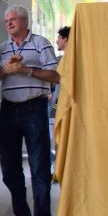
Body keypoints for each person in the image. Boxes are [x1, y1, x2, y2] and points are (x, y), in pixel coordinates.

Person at [0, 4, 59, 216]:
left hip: (34, 108)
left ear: (25, 21)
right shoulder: (3, 48)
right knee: (9, 169)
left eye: (13, 20)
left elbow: (55, 75)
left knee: (38, 168)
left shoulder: (41, 43)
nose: (9, 24)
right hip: (9, 110)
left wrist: (26, 69)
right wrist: (5, 70)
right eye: (7, 21)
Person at [48, 26, 70, 169]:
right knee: (57, 136)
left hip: (68, 105)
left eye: (59, 38)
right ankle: (58, 168)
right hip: (56, 104)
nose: (56, 41)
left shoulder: (75, 59)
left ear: (65, 39)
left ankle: (62, 168)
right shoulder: (58, 60)